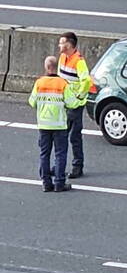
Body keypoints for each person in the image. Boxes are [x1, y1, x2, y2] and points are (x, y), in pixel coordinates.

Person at [29, 56, 79, 192]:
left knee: (44, 154)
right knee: (60, 154)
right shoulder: (62, 84)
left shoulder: (39, 83)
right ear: (57, 67)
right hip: (59, 125)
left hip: (44, 125)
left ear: (46, 67)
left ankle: (46, 183)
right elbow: (72, 103)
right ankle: (59, 183)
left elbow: (32, 102)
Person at [57, 32, 91, 178]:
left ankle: (77, 166)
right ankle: (60, 165)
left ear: (69, 45)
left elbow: (87, 81)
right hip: (64, 103)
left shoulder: (79, 61)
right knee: (62, 135)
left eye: (61, 42)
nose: (59, 45)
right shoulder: (63, 57)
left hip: (75, 105)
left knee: (74, 136)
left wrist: (79, 96)